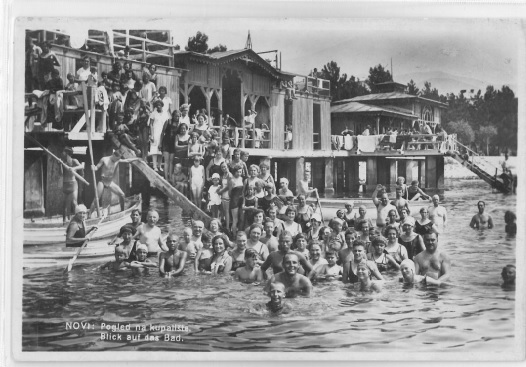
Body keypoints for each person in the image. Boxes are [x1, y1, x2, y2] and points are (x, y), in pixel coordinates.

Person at [89, 151, 137, 216]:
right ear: (113, 155)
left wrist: (137, 159)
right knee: (96, 199)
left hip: (110, 182)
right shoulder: (104, 159)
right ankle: (89, 215)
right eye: (117, 158)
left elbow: (127, 160)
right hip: (102, 181)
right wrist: (93, 168)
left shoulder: (117, 160)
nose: (117, 160)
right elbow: (97, 167)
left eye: (118, 159)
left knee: (122, 194)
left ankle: (122, 211)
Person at [60, 147, 83, 222]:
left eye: (63, 152)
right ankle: (64, 222)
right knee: (63, 205)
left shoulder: (74, 161)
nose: (62, 153)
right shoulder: (63, 162)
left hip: (73, 184)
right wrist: (60, 165)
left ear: (67, 153)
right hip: (65, 185)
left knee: (74, 203)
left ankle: (79, 220)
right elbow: (61, 174)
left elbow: (82, 166)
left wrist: (73, 168)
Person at [159, 109, 179, 179]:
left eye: (178, 116)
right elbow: (162, 132)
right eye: (176, 116)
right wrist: (160, 143)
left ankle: (170, 177)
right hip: (166, 142)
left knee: (171, 161)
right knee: (166, 160)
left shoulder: (178, 123)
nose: (177, 118)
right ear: (173, 116)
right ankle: (166, 177)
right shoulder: (168, 121)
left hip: (173, 143)